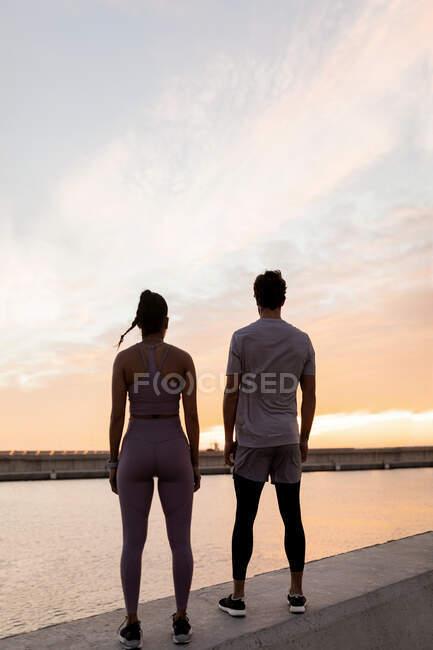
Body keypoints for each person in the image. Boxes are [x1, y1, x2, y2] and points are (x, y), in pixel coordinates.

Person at [218, 270, 316, 617]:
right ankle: (297, 594)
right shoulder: (302, 340)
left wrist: (229, 439)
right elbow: (310, 396)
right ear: (283, 300)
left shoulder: (242, 338)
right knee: (293, 516)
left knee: (245, 517)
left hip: (253, 440)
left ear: (256, 299)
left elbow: (231, 392)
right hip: (287, 438)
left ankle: (239, 597)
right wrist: (303, 438)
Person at [108, 290, 200, 647]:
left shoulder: (124, 361)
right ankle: (180, 621)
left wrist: (113, 461)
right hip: (174, 445)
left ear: (139, 324)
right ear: (165, 323)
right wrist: (194, 462)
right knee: (181, 542)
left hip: (136, 446)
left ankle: (132, 624)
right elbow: (191, 415)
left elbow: (117, 415)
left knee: (133, 542)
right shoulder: (183, 358)